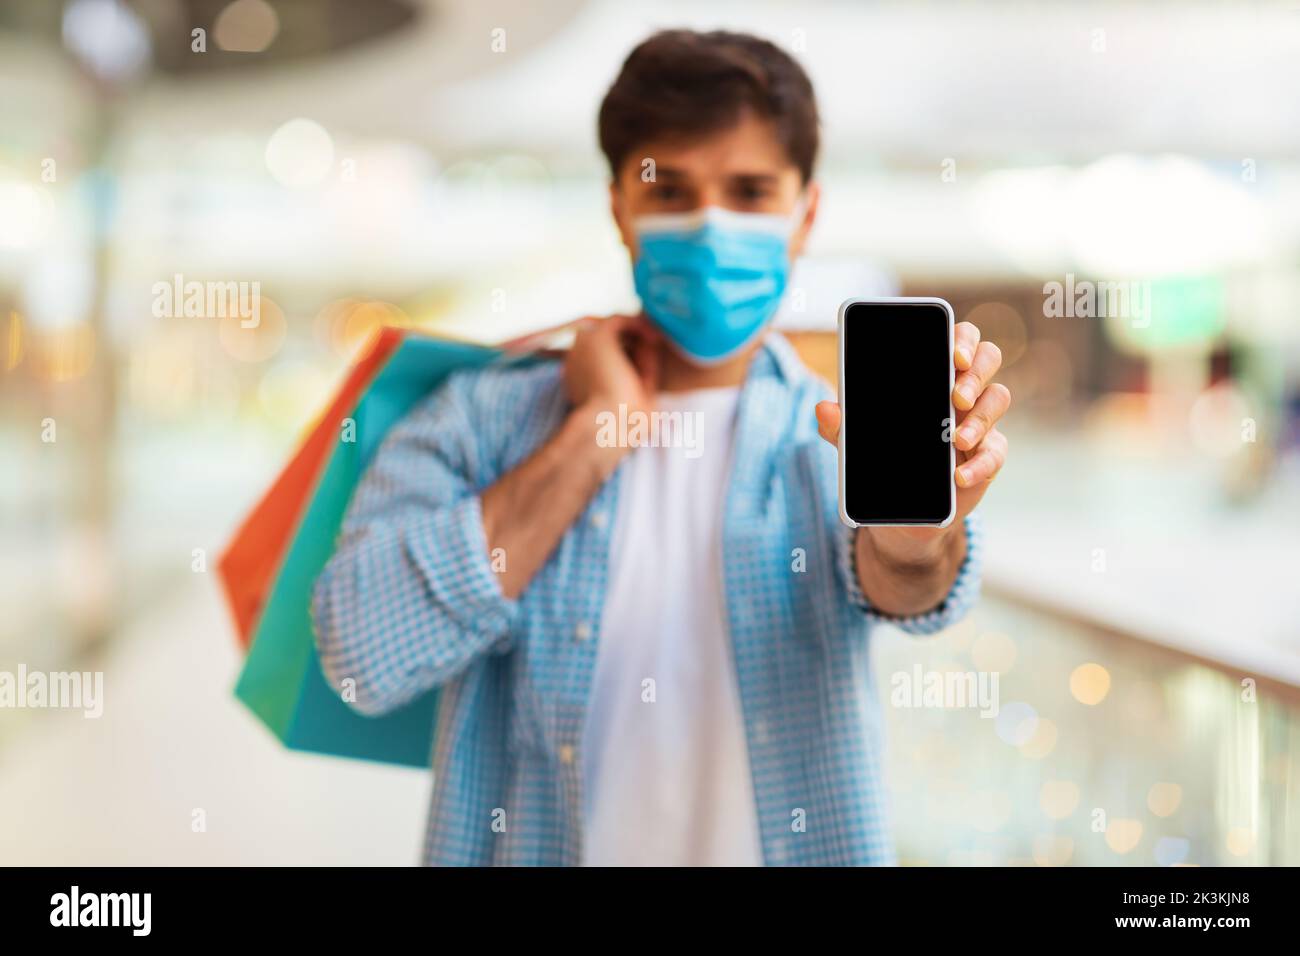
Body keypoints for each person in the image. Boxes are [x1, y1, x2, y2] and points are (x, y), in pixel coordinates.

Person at [312, 28, 1011, 866]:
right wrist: (591, 437)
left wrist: (914, 535)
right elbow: (360, 654)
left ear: (806, 213)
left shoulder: (830, 434)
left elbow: (906, 583)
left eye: (750, 191)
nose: (711, 225)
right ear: (619, 208)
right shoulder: (474, 420)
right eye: (670, 190)